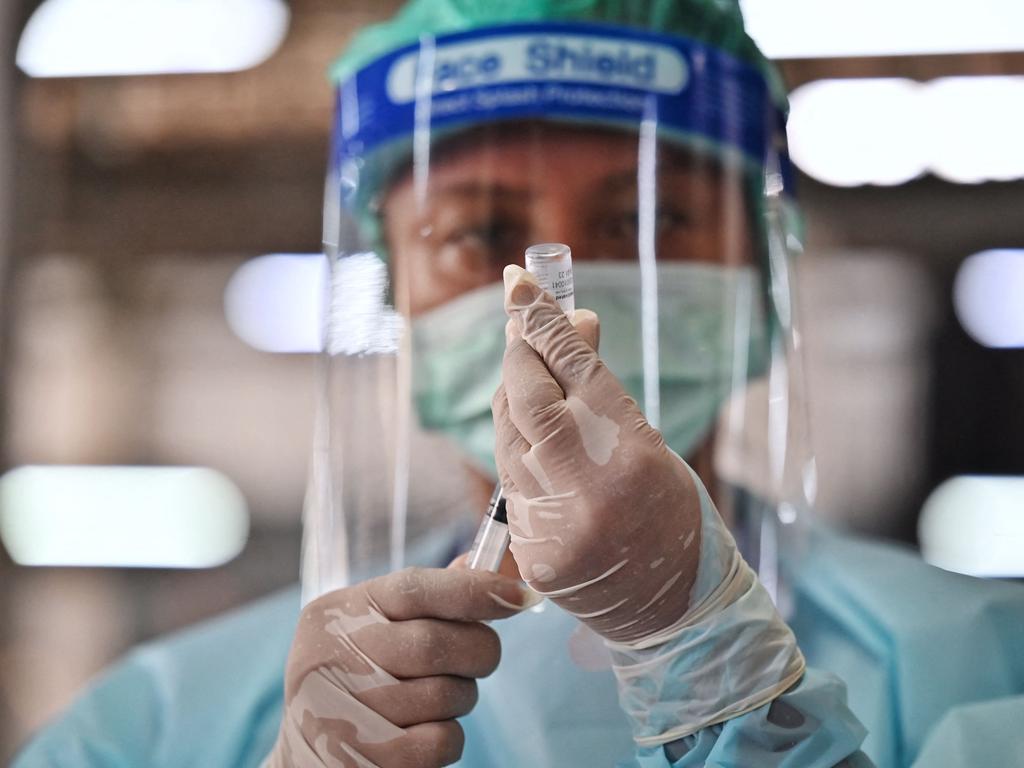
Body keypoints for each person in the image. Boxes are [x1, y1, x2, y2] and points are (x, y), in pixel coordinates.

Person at [15, 2, 1024, 767]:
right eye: (479, 233)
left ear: (761, 281)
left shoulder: (985, 667)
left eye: (650, 220)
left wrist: (712, 660)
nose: (559, 287)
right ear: (395, 297)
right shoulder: (154, 728)